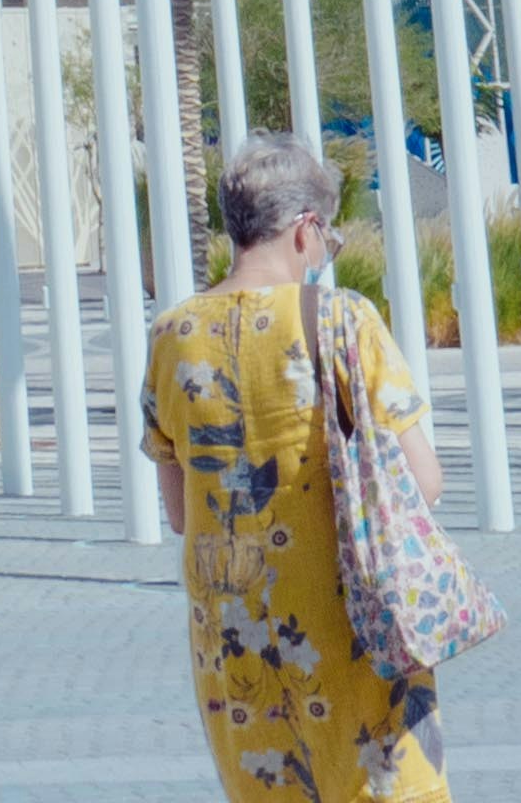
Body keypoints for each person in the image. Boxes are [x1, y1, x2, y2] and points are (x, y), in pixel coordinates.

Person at [139, 133, 447, 803]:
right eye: (328, 238)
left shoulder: (171, 335)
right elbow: (423, 480)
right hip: (345, 616)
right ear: (306, 229)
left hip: (234, 630)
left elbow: (180, 512)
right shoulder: (343, 318)